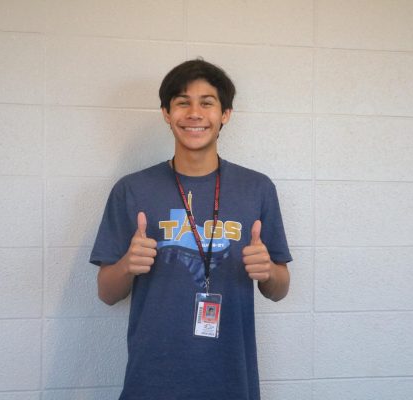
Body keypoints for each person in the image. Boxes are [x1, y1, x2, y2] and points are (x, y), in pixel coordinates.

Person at [90, 59, 292, 399]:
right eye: (183, 102)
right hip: (152, 380)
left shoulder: (257, 188)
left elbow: (280, 289)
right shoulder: (133, 190)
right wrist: (126, 265)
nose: (194, 113)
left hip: (231, 379)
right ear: (167, 114)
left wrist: (269, 271)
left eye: (207, 103)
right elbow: (107, 293)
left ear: (225, 114)